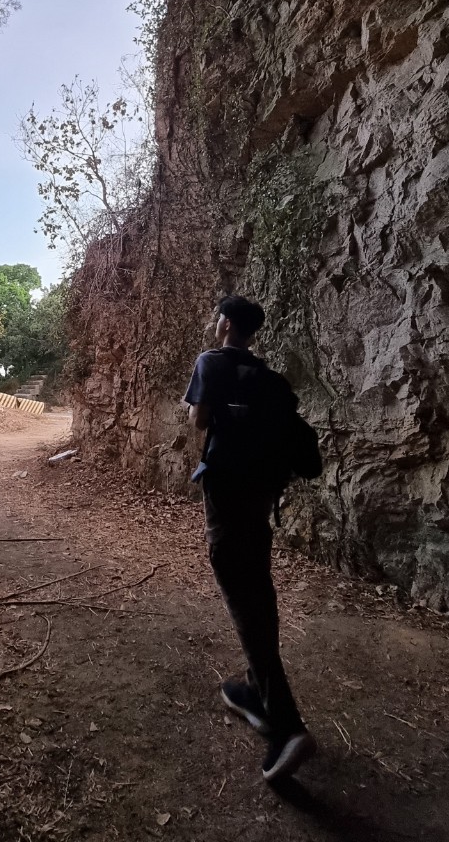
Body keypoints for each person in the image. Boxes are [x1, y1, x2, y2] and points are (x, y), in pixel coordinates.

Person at [184, 294, 319, 783]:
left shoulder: (211, 362)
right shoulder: (270, 380)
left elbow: (199, 421)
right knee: (256, 584)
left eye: (215, 315)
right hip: (262, 495)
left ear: (224, 323)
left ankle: (287, 725)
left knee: (241, 590)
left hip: (226, 490)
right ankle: (254, 693)